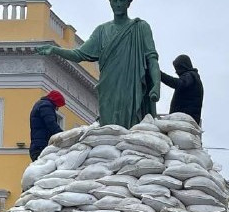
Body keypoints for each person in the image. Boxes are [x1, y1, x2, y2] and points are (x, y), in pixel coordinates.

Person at [36, 0, 160, 129]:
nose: (117, 4)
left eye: (121, 1)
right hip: (108, 87)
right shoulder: (101, 31)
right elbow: (78, 55)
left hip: (131, 85)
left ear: (128, 3)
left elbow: (152, 58)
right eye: (114, 1)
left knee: (132, 125)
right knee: (109, 126)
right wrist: (55, 50)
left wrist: (156, 85)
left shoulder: (140, 27)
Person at [160, 54, 204, 125]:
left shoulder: (190, 75)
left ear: (183, 66)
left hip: (184, 119)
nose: (176, 72)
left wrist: (160, 75)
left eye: (177, 68)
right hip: (185, 119)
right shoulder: (193, 77)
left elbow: (178, 84)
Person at [29, 90, 65, 161]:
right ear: (55, 102)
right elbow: (51, 123)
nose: (57, 108)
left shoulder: (41, 105)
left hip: (37, 145)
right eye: (57, 105)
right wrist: (62, 135)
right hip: (41, 145)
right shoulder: (46, 106)